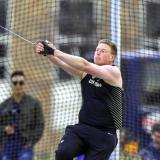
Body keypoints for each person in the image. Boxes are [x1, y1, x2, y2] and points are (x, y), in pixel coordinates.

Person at [35, 39, 123, 160]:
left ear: (112, 57)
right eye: (97, 50)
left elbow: (83, 64)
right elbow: (61, 63)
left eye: (102, 51)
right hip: (82, 129)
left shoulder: (114, 72)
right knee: (62, 153)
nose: (98, 53)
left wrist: (54, 51)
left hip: (104, 136)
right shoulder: (86, 74)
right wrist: (47, 52)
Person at [0, 70, 44, 160]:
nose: (18, 86)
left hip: (25, 145)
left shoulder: (34, 103)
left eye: (21, 82)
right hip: (7, 145)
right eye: (15, 83)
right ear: (11, 85)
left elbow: (40, 125)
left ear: (25, 84)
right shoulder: (4, 105)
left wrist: (31, 142)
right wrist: (5, 128)